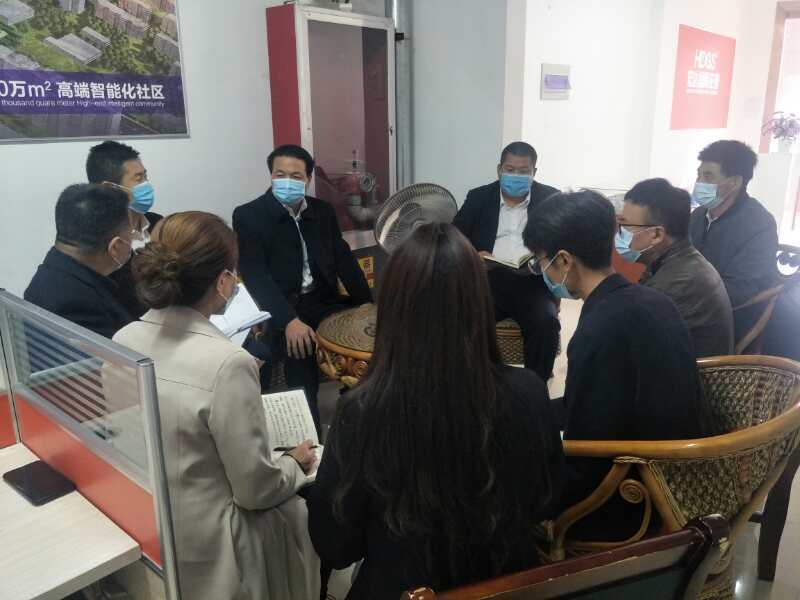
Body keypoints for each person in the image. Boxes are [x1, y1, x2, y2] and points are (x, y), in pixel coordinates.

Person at [307, 223, 563, 599]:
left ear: (392, 307)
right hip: (506, 583)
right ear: (480, 302)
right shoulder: (528, 391)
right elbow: (545, 500)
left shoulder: (361, 410)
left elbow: (336, 546)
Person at [114, 211, 320, 600]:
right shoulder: (228, 362)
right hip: (216, 543)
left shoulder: (123, 339)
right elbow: (255, 491)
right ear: (223, 280)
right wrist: (295, 462)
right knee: (301, 510)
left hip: (152, 523)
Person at [523, 190, 708, 535]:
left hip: (629, 497)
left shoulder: (599, 330)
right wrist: (529, 412)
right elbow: (595, 405)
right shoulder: (652, 300)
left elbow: (587, 458)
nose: (541, 271)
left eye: (540, 261)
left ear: (564, 261)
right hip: (673, 474)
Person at [233, 144, 372, 432]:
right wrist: (289, 320)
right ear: (271, 176)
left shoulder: (322, 212)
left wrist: (367, 304)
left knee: (366, 347)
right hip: (282, 309)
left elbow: (344, 259)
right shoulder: (249, 215)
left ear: (308, 179)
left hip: (323, 302)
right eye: (279, 174)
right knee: (301, 364)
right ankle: (310, 440)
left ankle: (357, 419)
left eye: (296, 176)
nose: (287, 181)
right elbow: (256, 276)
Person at [453, 141, 560, 380]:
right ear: (499, 169)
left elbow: (563, 244)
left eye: (523, 171)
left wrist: (540, 262)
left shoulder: (551, 198)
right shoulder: (479, 197)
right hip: (487, 282)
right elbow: (454, 237)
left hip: (532, 283)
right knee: (463, 320)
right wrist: (473, 256)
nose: (516, 176)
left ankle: (535, 386)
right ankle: (477, 382)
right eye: (510, 170)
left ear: (534, 172)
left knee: (546, 323)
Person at [617, 178, 734, 358]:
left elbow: (628, 345)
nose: (619, 233)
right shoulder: (679, 261)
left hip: (693, 373)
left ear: (656, 234)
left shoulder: (675, 284)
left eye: (625, 226)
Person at [689, 140, 780, 344]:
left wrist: (680, 299)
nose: (699, 182)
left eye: (708, 176)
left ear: (735, 182)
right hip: (686, 308)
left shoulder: (759, 225)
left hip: (725, 321)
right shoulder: (697, 216)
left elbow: (739, 290)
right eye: (698, 175)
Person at [25, 184, 138, 338]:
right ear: (116, 246)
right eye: (131, 232)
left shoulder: (57, 268)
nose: (133, 238)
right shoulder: (75, 304)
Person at [86, 140, 162, 318]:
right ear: (110, 188)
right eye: (139, 179)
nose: (147, 185)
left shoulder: (159, 223)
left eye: (146, 176)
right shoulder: (102, 248)